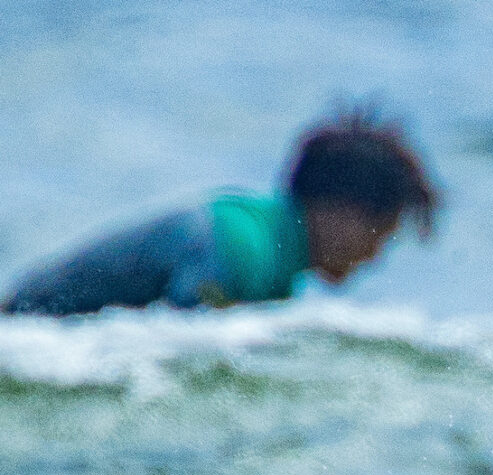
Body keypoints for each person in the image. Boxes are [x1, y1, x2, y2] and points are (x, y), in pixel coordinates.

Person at [4, 106, 439, 317]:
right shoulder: (244, 247)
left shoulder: (265, 251)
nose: (377, 254)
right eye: (383, 231)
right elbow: (180, 347)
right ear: (342, 211)